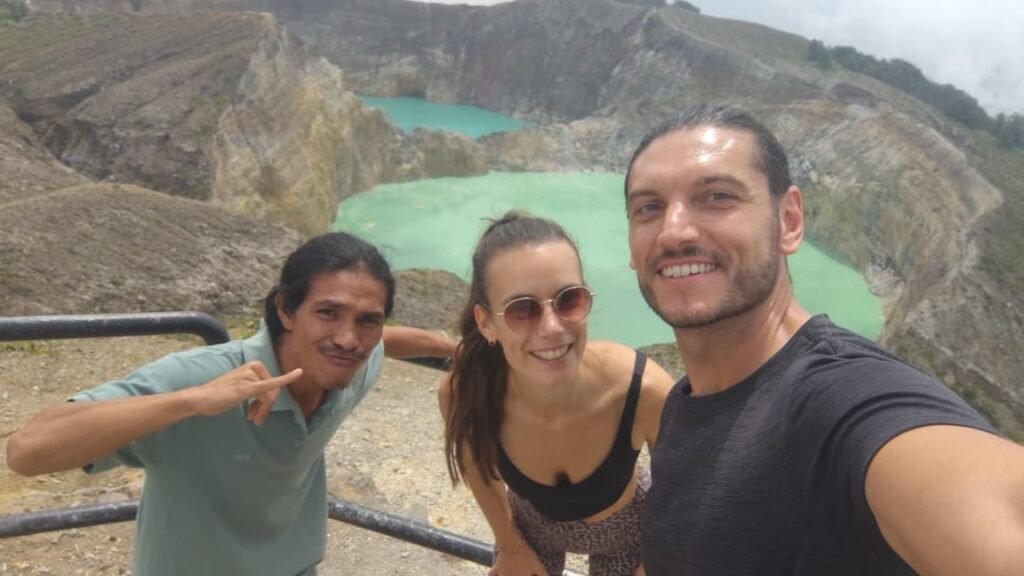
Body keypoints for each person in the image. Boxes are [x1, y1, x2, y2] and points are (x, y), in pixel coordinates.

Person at [623, 104, 1024, 575]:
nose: (673, 231)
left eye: (716, 197)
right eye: (648, 208)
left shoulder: (844, 403)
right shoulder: (685, 402)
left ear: (789, 221)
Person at [5, 231, 457, 576]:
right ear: (285, 310)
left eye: (367, 320)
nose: (348, 338)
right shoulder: (204, 379)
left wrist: (459, 350)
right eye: (327, 312)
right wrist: (192, 402)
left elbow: (388, 343)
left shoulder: (351, 365)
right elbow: (27, 450)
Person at [438, 212, 674, 576]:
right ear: (486, 323)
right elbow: (479, 473)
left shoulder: (641, 389)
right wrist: (511, 545)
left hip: (631, 531)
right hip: (534, 529)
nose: (551, 328)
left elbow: (686, 488)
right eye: (521, 309)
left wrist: (657, 560)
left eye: (568, 300)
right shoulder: (465, 392)